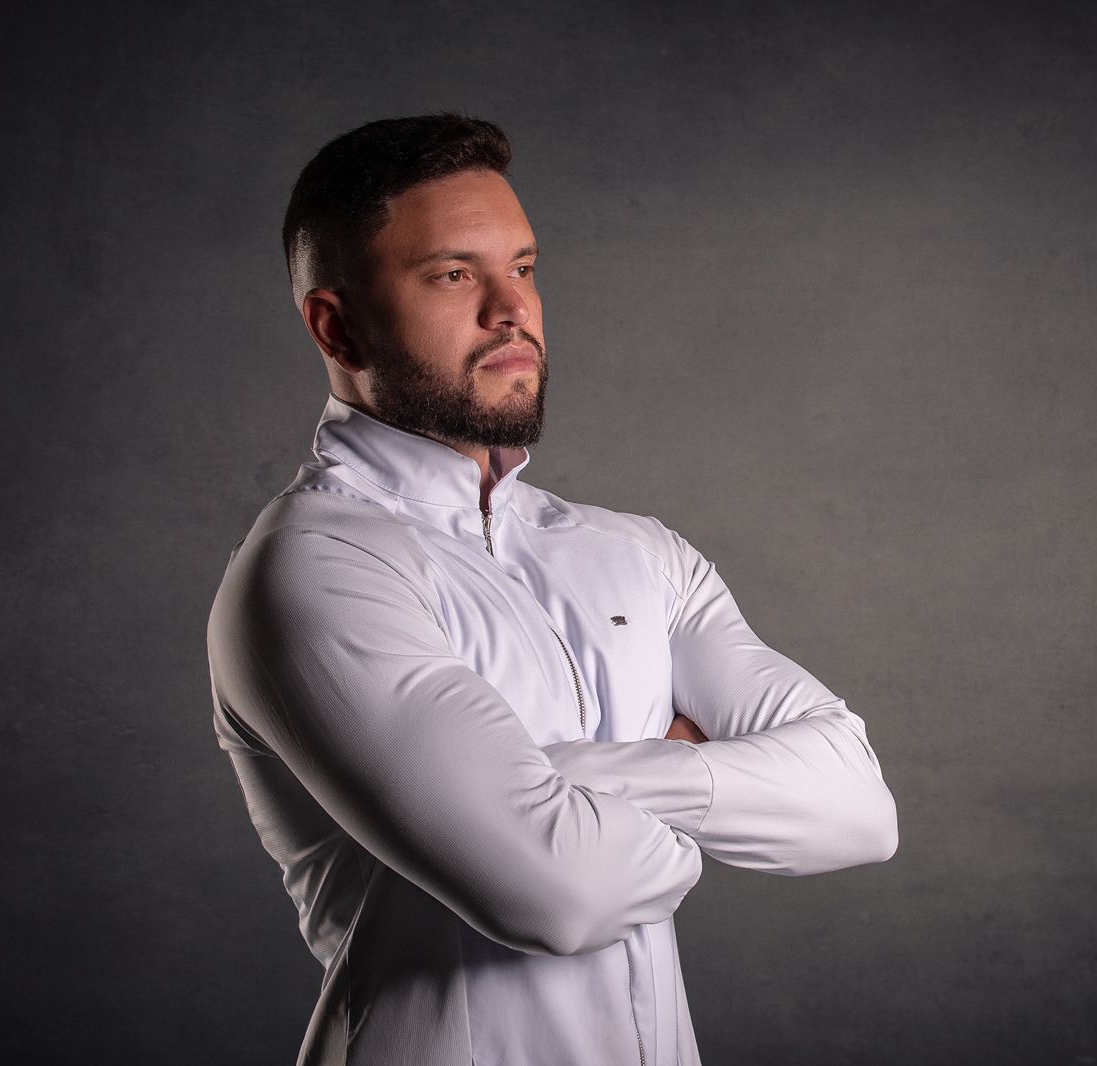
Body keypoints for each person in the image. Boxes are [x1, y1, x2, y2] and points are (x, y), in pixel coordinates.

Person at [206, 112, 898, 1066]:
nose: (511, 310)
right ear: (337, 323)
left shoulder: (638, 553)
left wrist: (570, 779)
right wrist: (709, 786)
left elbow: (858, 808)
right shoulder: (314, 568)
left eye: (523, 268)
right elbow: (562, 896)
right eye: (454, 275)